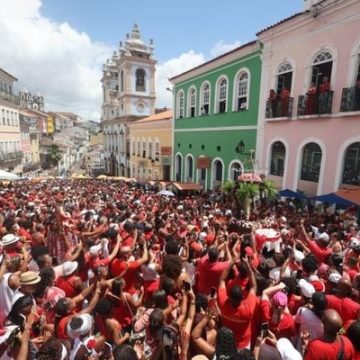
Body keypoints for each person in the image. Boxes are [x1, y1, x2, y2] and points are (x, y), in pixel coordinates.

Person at [217, 256, 257, 349]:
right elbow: (253, 287)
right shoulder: (248, 309)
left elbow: (222, 279)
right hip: (243, 344)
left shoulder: (223, 303)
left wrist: (232, 262)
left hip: (226, 342)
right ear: (243, 297)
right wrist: (248, 265)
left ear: (229, 297)